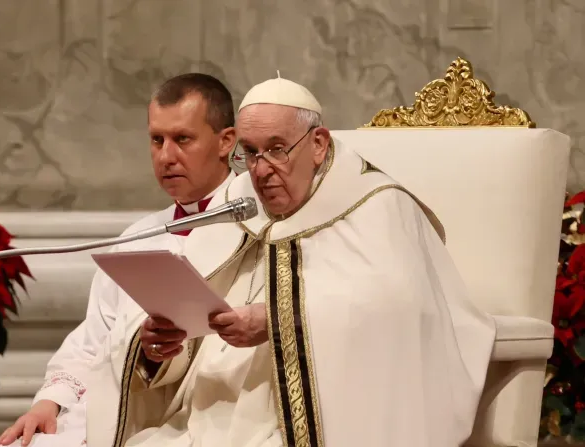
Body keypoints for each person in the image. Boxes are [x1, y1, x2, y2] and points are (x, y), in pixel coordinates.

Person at [84, 77, 497, 447]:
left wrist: (276, 320)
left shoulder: (375, 203)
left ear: (318, 144)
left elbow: (402, 310)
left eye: (277, 150)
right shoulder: (240, 205)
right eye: (250, 152)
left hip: (312, 423)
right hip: (205, 416)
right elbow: (192, 320)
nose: (261, 170)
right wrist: (160, 349)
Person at [0, 73, 237, 447]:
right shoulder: (139, 237)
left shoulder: (255, 230)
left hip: (210, 413)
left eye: (182, 139)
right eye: (157, 140)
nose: (166, 156)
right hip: (124, 410)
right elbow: (95, 337)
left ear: (226, 142)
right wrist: (50, 402)